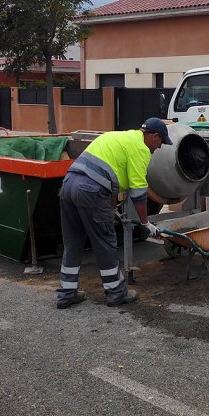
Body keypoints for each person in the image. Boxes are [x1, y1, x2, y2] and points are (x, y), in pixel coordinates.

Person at [56, 117, 172, 309]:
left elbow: (110, 182)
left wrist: (110, 210)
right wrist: (145, 223)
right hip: (90, 191)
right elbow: (138, 192)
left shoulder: (119, 137)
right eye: (161, 142)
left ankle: (66, 294)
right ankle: (116, 293)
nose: (159, 147)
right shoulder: (140, 149)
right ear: (154, 136)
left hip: (68, 185)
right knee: (105, 243)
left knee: (73, 242)